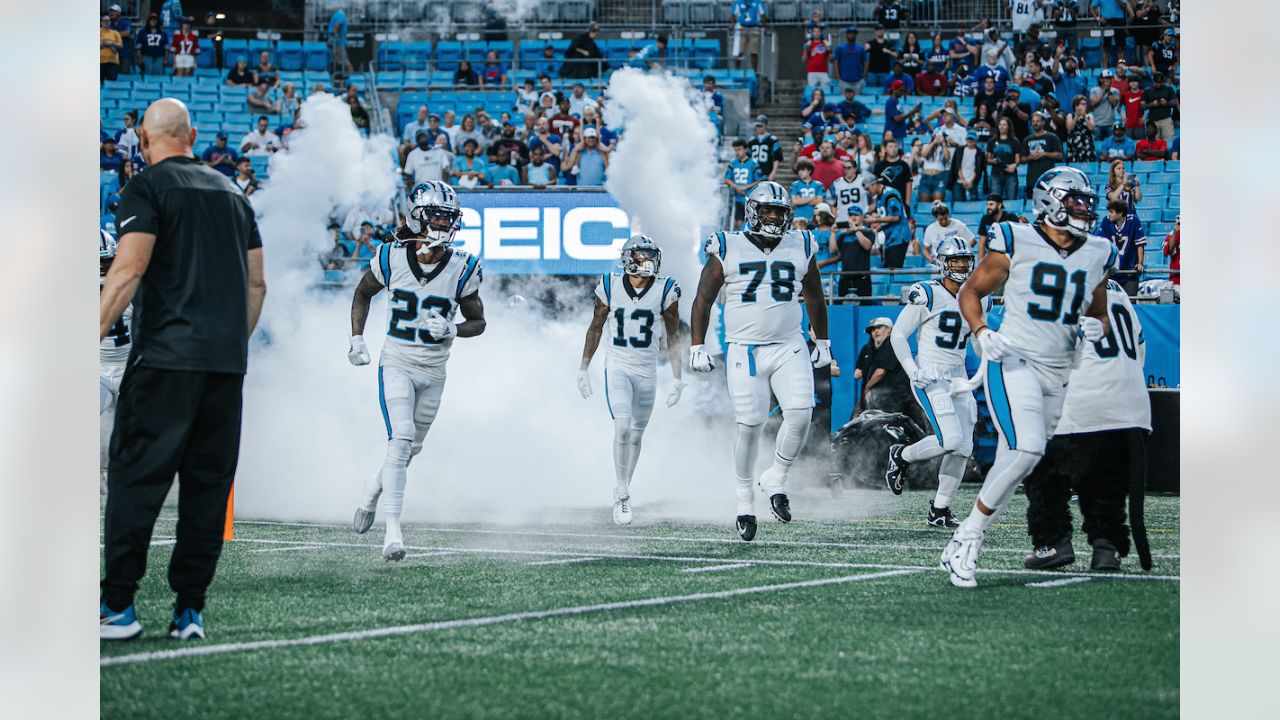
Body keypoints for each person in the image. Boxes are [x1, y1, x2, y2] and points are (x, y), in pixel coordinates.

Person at [98, 98, 267, 641]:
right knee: (207, 489)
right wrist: (225, 344)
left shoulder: (146, 187)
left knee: (135, 480)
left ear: (145, 141)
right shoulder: (235, 194)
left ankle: (118, 607)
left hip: (165, 361)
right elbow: (258, 284)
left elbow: (127, 270)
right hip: (225, 367)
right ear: (192, 133)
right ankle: (189, 611)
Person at [942, 167, 1118, 588]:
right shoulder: (1013, 238)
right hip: (1014, 358)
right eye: (1074, 200)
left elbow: (1097, 315)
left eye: (1085, 202)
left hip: (1059, 371)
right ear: (1050, 201)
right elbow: (969, 291)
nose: (1083, 208)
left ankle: (965, 539)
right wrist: (982, 332)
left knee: (1014, 462)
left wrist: (1098, 327)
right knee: (1029, 449)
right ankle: (967, 537)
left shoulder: (1097, 251)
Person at [347, 181, 484, 560]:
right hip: (398, 362)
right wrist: (357, 338)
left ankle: (373, 487)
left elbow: (479, 322)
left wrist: (454, 328)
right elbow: (362, 292)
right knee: (402, 437)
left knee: (410, 448)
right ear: (418, 216)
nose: (443, 222)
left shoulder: (462, 267)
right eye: (437, 214)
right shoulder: (391, 256)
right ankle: (392, 531)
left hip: (435, 371)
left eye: (448, 217)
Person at [689, 182, 831, 542]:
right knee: (750, 425)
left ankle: (776, 478)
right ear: (753, 211)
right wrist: (697, 345)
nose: (773, 217)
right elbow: (703, 299)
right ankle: (743, 499)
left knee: (801, 413)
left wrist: (823, 340)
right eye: (767, 210)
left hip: (789, 344)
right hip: (745, 349)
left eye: (780, 212)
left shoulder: (802, 243)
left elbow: (814, 294)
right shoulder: (727, 244)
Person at [1022, 279, 1151, 572]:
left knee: (1040, 469)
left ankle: (1052, 542)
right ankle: (1106, 548)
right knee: (1105, 483)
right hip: (1134, 409)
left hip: (1082, 401)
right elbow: (1140, 346)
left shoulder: (1055, 284)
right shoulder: (1117, 290)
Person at [577, 236, 684, 525]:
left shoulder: (666, 288)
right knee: (622, 427)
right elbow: (596, 327)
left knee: (636, 434)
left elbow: (673, 336)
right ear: (628, 258)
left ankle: (625, 486)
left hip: (648, 367)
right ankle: (622, 494)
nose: (648, 261)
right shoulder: (610, 284)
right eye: (642, 255)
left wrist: (677, 377)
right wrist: (584, 368)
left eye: (651, 255)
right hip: (619, 365)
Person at [886, 237, 989, 526]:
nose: (960, 266)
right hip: (930, 373)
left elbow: (979, 343)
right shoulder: (927, 293)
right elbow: (897, 334)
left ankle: (940, 509)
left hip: (959, 376)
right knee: (950, 440)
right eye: (954, 260)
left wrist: (990, 348)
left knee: (964, 447)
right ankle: (902, 455)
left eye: (965, 261)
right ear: (942, 263)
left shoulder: (980, 296)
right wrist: (911, 368)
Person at [99, 231, 132, 494]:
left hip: (129, 368)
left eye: (105, 263)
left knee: (131, 428)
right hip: (96, 371)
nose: (102, 269)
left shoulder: (130, 287)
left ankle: (120, 475)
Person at [1099, 199, 1146, 295]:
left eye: (1111, 212)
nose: (1109, 214)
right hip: (1111, 272)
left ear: (1120, 213)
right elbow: (1101, 244)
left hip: (1130, 272)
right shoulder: (1106, 222)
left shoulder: (1133, 221)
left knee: (1130, 303)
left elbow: (1140, 244)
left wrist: (1140, 263)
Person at [865, 173, 911, 269]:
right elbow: (886, 219)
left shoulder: (890, 194)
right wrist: (876, 229)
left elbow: (895, 217)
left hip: (899, 235)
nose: (867, 192)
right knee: (887, 267)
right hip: (890, 237)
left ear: (874, 184)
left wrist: (873, 220)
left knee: (893, 268)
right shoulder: (878, 198)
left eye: (868, 189)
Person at [835, 206, 875, 298]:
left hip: (862, 277)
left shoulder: (868, 232)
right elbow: (834, 250)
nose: (853, 217)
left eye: (856, 215)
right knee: (843, 307)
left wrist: (856, 230)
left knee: (865, 306)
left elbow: (867, 246)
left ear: (862, 216)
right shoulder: (843, 235)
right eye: (851, 215)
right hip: (845, 277)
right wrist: (833, 233)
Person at [724, 139, 763, 226]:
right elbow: (726, 179)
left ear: (745, 149)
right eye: (735, 150)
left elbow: (759, 180)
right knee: (739, 223)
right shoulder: (733, 163)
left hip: (752, 199)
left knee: (752, 223)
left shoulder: (753, 163)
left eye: (739, 149)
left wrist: (745, 187)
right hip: (738, 199)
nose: (737, 152)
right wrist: (737, 187)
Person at [975, 192, 1022, 257]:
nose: (988, 207)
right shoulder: (985, 218)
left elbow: (1017, 240)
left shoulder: (1010, 217)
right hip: (991, 254)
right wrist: (980, 263)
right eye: (987, 204)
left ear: (999, 205)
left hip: (1007, 254)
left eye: (991, 204)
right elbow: (981, 244)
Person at [829, 158, 871, 229]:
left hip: (860, 220)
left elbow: (873, 199)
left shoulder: (863, 179)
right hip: (843, 220)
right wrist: (835, 214)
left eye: (849, 168)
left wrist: (866, 212)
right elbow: (831, 203)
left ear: (855, 169)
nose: (846, 170)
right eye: (844, 168)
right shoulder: (837, 183)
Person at [948, 130, 987, 202]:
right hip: (959, 182)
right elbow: (957, 166)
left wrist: (971, 182)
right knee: (958, 205)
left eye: (972, 139)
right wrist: (963, 180)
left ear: (976, 140)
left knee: (973, 206)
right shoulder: (959, 150)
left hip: (972, 183)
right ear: (966, 139)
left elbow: (978, 170)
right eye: (969, 139)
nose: (970, 140)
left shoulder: (980, 153)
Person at [731, 0, 767, 72]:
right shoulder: (738, 2)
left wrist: (764, 27)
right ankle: (736, 70)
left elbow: (763, 15)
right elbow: (733, 15)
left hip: (754, 28)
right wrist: (732, 24)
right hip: (742, 28)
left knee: (754, 51)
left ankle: (754, 71)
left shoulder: (758, 2)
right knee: (739, 51)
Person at [746, 115, 784, 182]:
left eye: (761, 126)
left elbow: (777, 158)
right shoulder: (751, 141)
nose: (759, 128)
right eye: (757, 126)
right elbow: (747, 158)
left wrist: (773, 173)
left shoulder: (773, 140)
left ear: (766, 125)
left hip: (767, 173)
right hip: (753, 175)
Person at [832, 26, 868, 95]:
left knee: (857, 102)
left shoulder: (861, 48)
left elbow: (865, 62)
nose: (852, 35)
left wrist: (863, 77)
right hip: (844, 81)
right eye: (850, 33)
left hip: (858, 81)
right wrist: (838, 78)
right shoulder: (840, 48)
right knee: (844, 102)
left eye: (854, 33)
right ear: (846, 34)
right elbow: (836, 63)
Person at [789, 158, 826, 224]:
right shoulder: (795, 184)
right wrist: (812, 197)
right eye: (799, 170)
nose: (800, 172)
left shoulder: (819, 185)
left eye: (802, 170)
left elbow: (820, 201)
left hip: (814, 217)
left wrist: (801, 200)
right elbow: (794, 202)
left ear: (809, 170)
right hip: (799, 217)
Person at [328, 2, 353, 74]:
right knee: (337, 62)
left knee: (345, 62)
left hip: (339, 43)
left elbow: (337, 26)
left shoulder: (340, 14)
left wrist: (331, 39)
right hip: (336, 43)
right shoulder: (337, 14)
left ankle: (353, 79)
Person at [100, 15, 123, 84]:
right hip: (100, 62)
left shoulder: (115, 33)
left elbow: (120, 46)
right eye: (104, 21)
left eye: (108, 21)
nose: (106, 22)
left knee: (112, 83)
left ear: (110, 22)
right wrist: (111, 45)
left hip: (113, 62)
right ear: (101, 22)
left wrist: (110, 44)